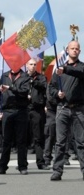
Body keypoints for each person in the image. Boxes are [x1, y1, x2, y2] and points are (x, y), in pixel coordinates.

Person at [49, 40, 84, 181]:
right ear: (67, 50)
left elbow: (80, 73)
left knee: (81, 142)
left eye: (77, 48)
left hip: (79, 110)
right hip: (62, 108)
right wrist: (57, 94)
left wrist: (66, 69)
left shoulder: (81, 67)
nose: (74, 50)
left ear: (79, 51)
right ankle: (57, 171)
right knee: (60, 142)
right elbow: (50, 88)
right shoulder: (59, 70)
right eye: (72, 48)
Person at [0, 67, 30, 175]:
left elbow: (24, 91)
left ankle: (22, 166)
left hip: (20, 110)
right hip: (7, 110)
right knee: (6, 140)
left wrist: (10, 87)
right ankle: (2, 166)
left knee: (21, 140)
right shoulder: (4, 75)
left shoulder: (25, 76)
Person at [26, 58, 50, 170]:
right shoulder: (23, 77)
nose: (33, 66)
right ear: (26, 65)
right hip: (25, 109)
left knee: (38, 137)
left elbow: (44, 86)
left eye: (35, 64)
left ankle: (40, 162)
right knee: (23, 137)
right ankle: (22, 163)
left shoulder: (41, 77)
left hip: (37, 109)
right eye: (31, 64)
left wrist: (33, 81)